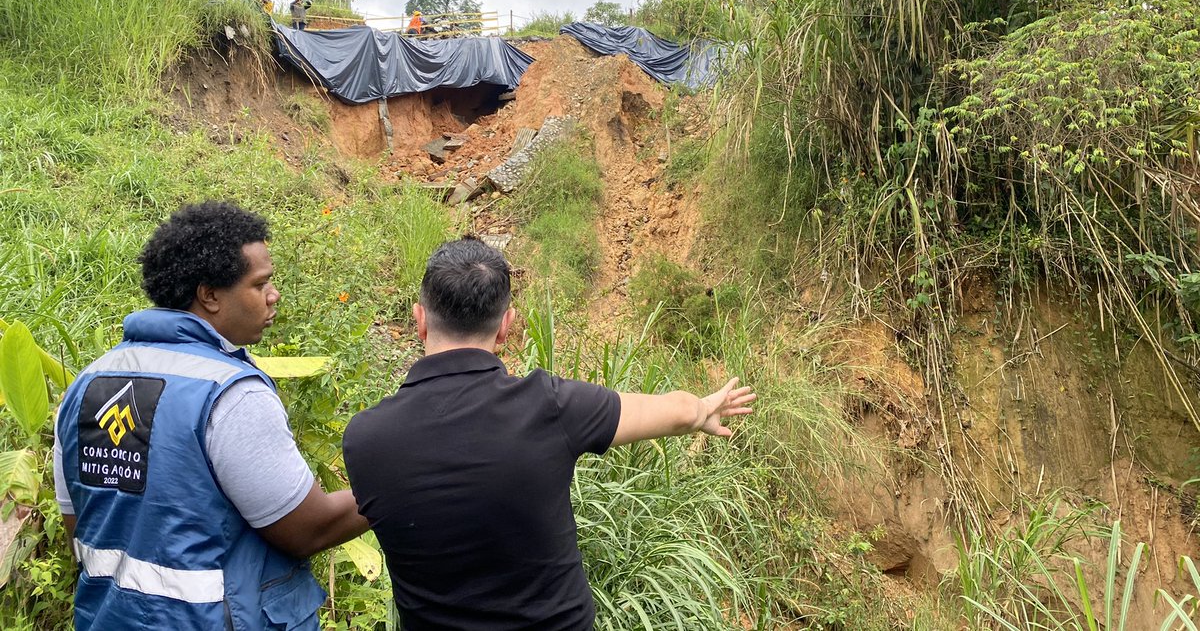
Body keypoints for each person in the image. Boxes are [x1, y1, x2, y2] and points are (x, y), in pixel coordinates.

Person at [342, 237, 755, 631]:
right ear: (505, 327)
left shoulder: (365, 439)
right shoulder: (548, 405)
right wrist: (704, 410)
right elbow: (678, 412)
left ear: (419, 320)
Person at [54, 201, 368, 631]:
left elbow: (80, 524)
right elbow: (307, 529)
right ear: (210, 295)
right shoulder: (231, 394)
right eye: (260, 284)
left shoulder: (85, 385)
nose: (274, 295)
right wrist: (396, 486)